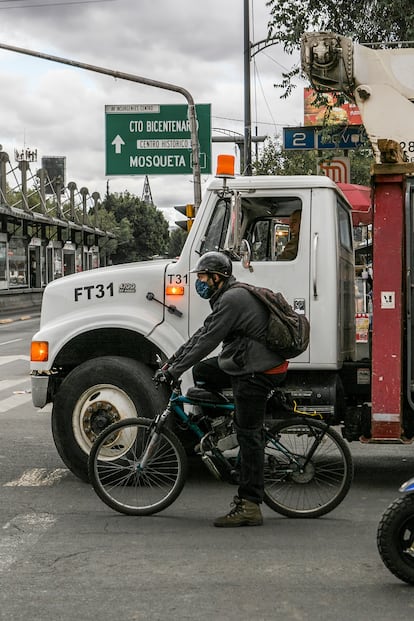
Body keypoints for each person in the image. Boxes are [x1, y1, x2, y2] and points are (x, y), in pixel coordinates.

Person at [160, 251, 288, 527]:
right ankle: (226, 422)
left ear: (218, 277)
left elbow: (208, 341)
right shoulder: (225, 296)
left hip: (258, 369)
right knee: (203, 371)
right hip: (247, 359)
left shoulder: (232, 299)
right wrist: (174, 362)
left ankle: (250, 506)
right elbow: (202, 335)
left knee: (249, 434)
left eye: (204, 277)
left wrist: (175, 370)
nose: (200, 282)